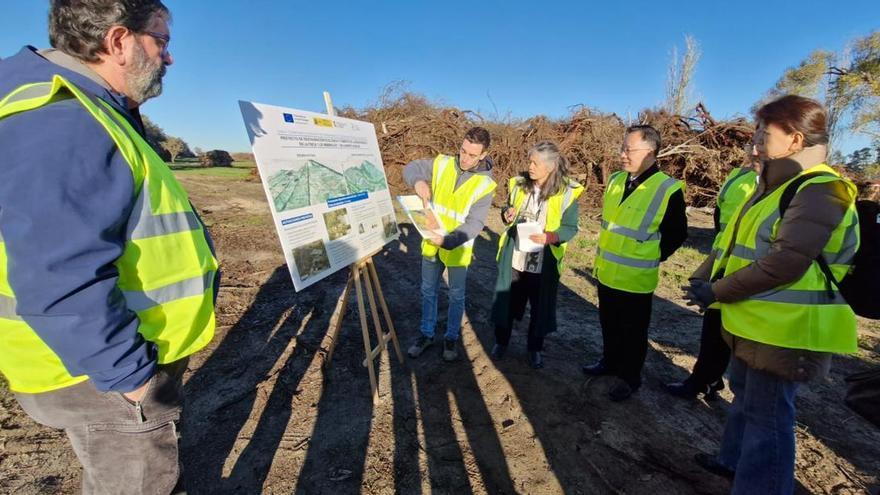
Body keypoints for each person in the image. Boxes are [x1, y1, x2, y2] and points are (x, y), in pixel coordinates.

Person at [0, 1, 218, 493]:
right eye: (160, 40)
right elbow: (59, 273)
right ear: (119, 42)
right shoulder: (65, 119)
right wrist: (131, 380)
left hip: (100, 363)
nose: (169, 57)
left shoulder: (92, 110)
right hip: (104, 375)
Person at [689, 95, 859, 494]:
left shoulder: (822, 190)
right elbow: (731, 243)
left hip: (788, 330)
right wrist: (704, 278)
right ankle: (731, 463)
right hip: (756, 320)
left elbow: (786, 264)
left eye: (766, 135)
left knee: (770, 420)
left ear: (796, 140)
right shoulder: (775, 185)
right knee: (746, 400)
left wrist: (716, 291)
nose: (756, 144)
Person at [582, 124, 688, 401]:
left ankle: (630, 377)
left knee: (633, 333)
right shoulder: (617, 180)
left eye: (629, 149)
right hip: (606, 272)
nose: (622, 154)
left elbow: (677, 234)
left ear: (650, 152)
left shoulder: (668, 189)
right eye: (623, 148)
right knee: (609, 324)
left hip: (635, 279)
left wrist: (652, 255)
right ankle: (609, 362)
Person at [664, 143, 759, 399]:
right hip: (725, 255)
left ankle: (703, 380)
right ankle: (709, 378)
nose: (753, 148)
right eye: (752, 142)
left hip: (743, 264)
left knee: (719, 326)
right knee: (714, 325)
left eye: (760, 140)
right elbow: (722, 217)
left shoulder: (767, 180)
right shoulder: (739, 174)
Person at [403, 127, 497, 362]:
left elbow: (475, 223)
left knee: (456, 296)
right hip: (431, 243)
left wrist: (448, 240)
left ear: (483, 155)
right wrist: (418, 182)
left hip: (457, 248)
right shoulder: (442, 163)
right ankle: (426, 334)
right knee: (428, 291)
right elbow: (411, 168)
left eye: (471, 155)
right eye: (462, 151)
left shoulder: (485, 186)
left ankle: (451, 337)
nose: (464, 158)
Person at [490, 141, 583, 368]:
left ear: (550, 167)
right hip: (515, 257)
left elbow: (570, 228)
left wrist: (550, 237)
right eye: (529, 161)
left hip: (544, 262)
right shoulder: (519, 184)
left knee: (540, 308)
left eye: (535, 163)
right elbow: (507, 209)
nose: (530, 166)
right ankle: (501, 342)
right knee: (507, 303)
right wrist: (507, 213)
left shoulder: (568, 192)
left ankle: (534, 349)